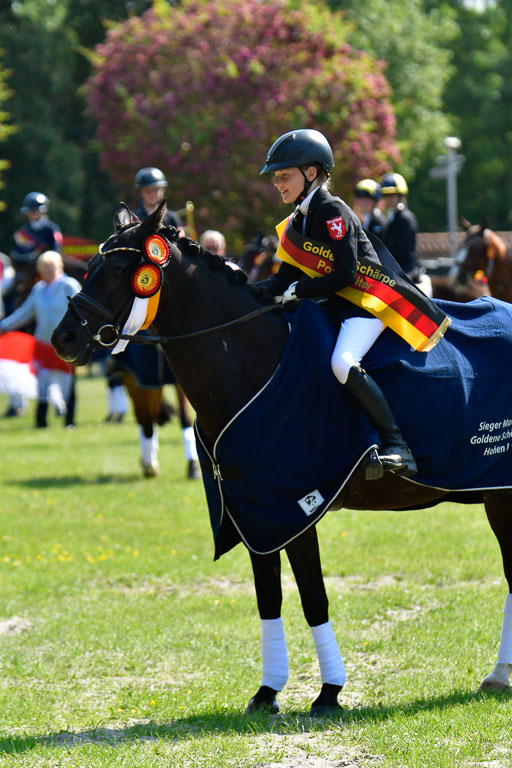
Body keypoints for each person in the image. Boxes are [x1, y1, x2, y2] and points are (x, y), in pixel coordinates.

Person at [256, 130, 449, 480]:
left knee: (342, 362)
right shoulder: (299, 218)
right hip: (338, 305)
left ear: (310, 173)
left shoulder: (332, 210)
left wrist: (300, 290)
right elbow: (283, 276)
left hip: (368, 304)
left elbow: (345, 273)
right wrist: (244, 291)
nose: (278, 183)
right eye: (276, 177)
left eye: (284, 175)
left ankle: (396, 444)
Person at [0, 251, 81, 428]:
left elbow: (82, 312)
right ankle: (41, 420)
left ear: (59, 266)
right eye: (44, 268)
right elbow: (25, 313)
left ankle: (69, 420)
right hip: (43, 343)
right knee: (42, 382)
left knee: (68, 381)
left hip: (67, 343)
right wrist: (4, 326)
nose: (48, 271)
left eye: (51, 267)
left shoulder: (70, 285)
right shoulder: (39, 290)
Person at [379, 172, 420, 280]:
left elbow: (405, 250)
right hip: (396, 270)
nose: (389, 199)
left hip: (406, 271)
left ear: (400, 195)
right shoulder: (392, 216)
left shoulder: (405, 218)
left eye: (392, 195)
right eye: (386, 195)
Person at [12, 192, 63, 260]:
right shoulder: (23, 231)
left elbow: (56, 251)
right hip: (26, 268)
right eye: (30, 211)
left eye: (35, 210)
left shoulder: (52, 229)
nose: (32, 213)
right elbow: (17, 253)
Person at [133, 167, 184, 234]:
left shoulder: (172, 218)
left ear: (162, 190)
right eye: (147, 191)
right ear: (141, 192)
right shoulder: (134, 218)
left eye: (155, 190)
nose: (151, 194)